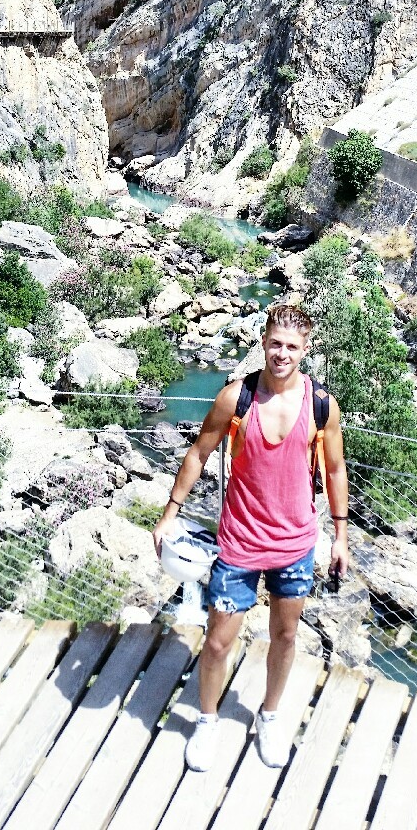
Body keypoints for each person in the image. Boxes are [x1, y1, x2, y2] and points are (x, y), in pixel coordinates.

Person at [153, 304, 349, 772]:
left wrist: (341, 536)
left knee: (285, 636)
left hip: (295, 545)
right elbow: (198, 454)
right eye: (275, 343)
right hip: (239, 542)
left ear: (305, 350)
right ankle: (207, 720)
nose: (282, 354)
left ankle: (269, 715)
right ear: (262, 342)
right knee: (218, 642)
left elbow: (336, 468)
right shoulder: (235, 398)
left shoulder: (321, 406)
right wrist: (169, 514)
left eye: (292, 347)